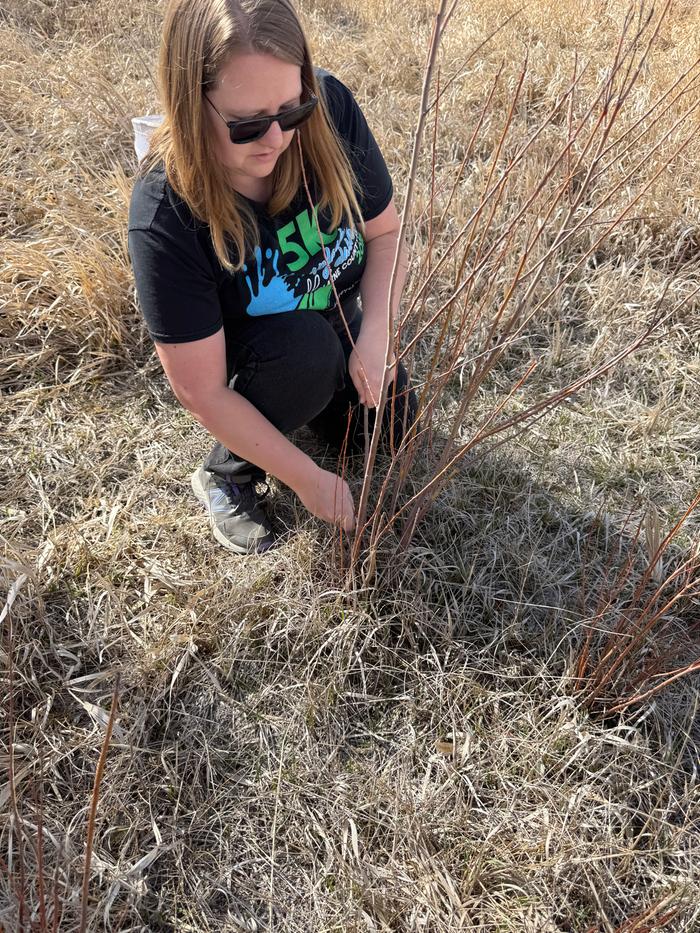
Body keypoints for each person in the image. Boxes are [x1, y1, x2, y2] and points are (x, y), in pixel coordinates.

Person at [128, 0, 418, 554]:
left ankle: (319, 388)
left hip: (338, 319)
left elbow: (385, 235)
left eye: (291, 111)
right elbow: (200, 388)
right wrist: (308, 481)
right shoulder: (165, 211)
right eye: (248, 124)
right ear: (192, 105)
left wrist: (376, 334)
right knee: (305, 356)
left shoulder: (329, 109)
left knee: (393, 428)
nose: (277, 139)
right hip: (268, 354)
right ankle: (226, 472)